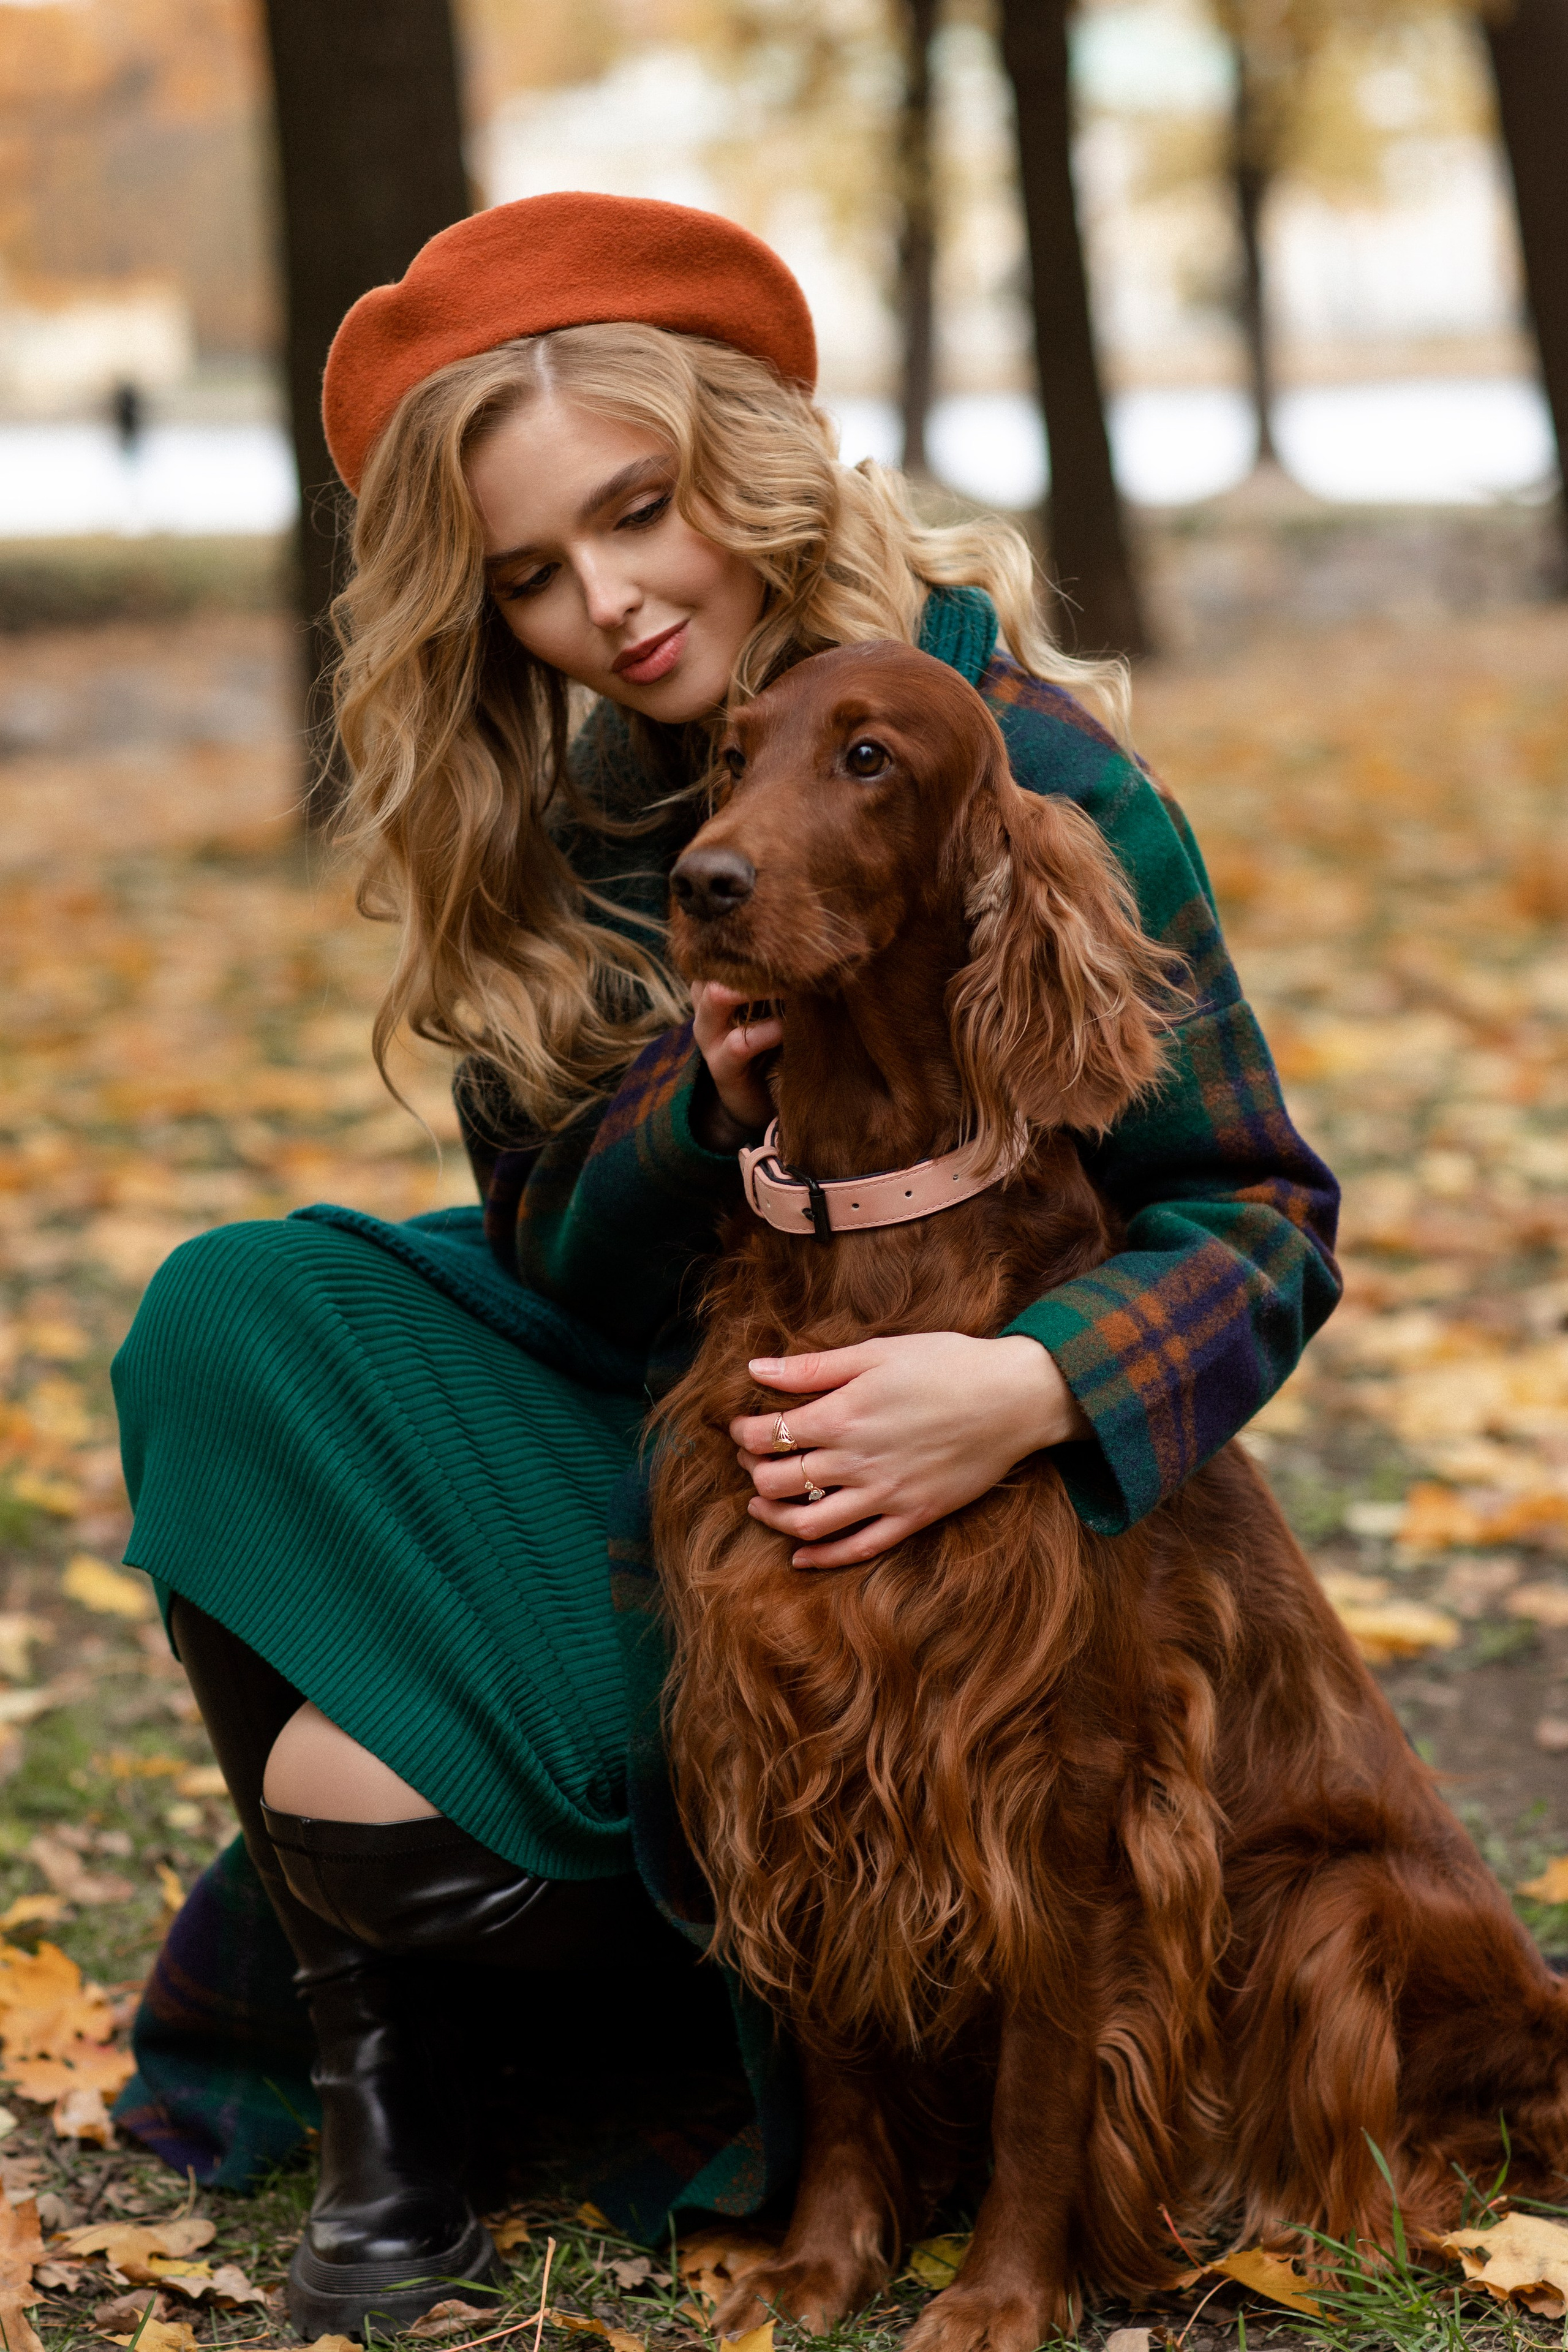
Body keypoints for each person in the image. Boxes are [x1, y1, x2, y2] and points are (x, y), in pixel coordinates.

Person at [111, 193, 1340, 2336]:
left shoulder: (1017, 761)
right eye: (529, 578)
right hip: (683, 1411)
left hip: (938, 1442)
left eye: (639, 513)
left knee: (397, 1788)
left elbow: (1255, 1204)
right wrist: (699, 1101)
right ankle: (388, 2067)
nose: (609, 602)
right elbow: (552, 1262)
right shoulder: (582, 818)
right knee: (230, 1309)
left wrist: (1036, 1387)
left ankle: (602, 1991)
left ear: (744, 466)